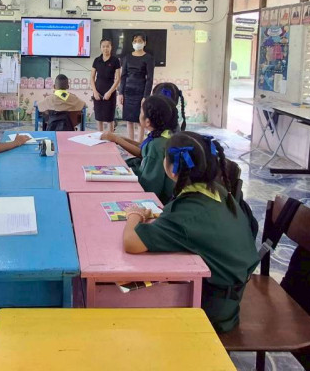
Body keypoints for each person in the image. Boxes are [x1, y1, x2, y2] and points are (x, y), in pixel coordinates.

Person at [121, 131, 259, 334]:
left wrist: (134, 214)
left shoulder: (187, 212)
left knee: (129, 304)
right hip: (229, 292)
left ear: (172, 168)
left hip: (212, 308)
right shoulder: (217, 191)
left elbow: (131, 243)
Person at [102, 95, 178, 203]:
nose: (139, 114)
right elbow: (144, 148)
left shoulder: (156, 146)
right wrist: (121, 139)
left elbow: (150, 186)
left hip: (159, 199)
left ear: (147, 122)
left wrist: (116, 139)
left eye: (141, 112)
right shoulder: (164, 134)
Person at [119, 33, 155, 141]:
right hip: (128, 92)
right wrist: (120, 93)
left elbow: (150, 79)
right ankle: (130, 143)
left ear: (145, 43)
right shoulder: (127, 57)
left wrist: (146, 96)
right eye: (135, 41)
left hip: (141, 91)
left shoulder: (149, 58)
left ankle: (139, 144)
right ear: (132, 43)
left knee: (140, 120)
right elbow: (123, 76)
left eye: (140, 41)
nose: (137, 43)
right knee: (129, 120)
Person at [90, 38, 122, 132]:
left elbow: (118, 79)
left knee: (109, 119)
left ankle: (110, 138)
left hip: (110, 92)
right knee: (98, 118)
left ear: (111, 47)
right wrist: (95, 92)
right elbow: (92, 77)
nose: (105, 48)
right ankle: (100, 136)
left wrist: (109, 92)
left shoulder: (115, 60)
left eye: (107, 46)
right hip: (98, 91)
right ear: (100, 47)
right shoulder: (97, 60)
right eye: (103, 46)